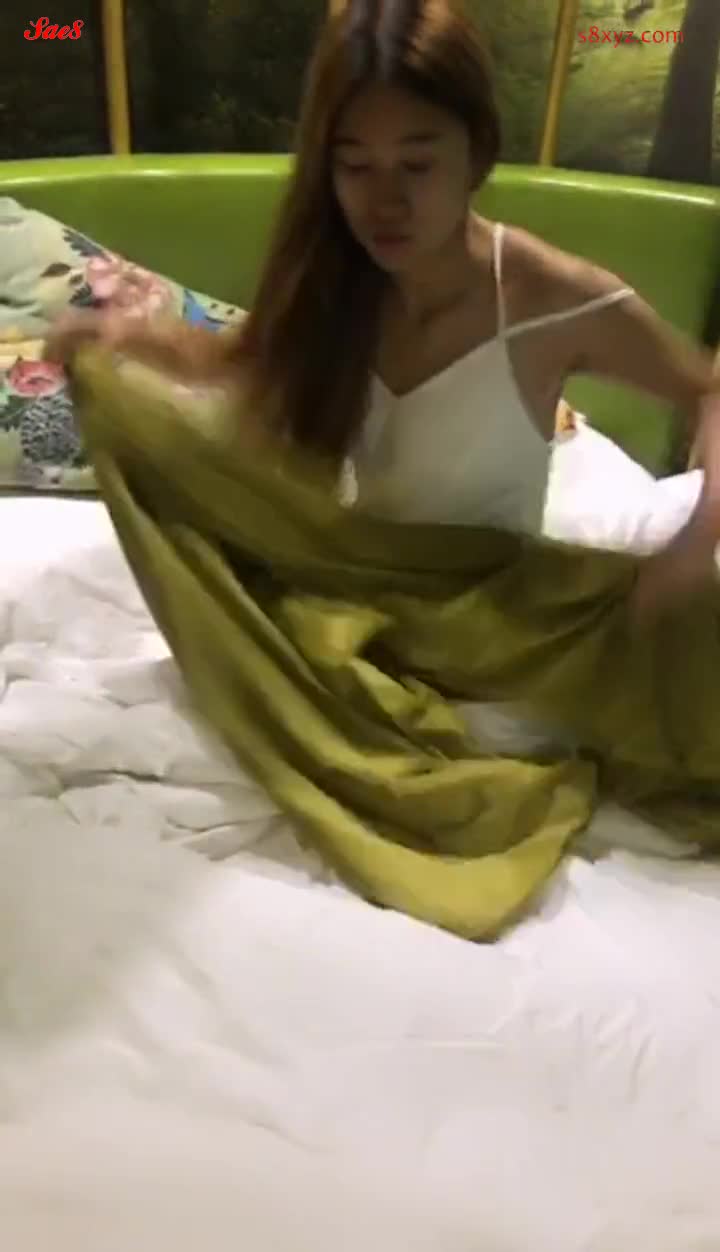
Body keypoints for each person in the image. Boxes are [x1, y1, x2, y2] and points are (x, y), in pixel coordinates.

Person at [47, 0, 720, 625]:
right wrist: (116, 336)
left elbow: (709, 388)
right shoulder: (340, 280)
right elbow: (238, 362)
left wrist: (696, 540)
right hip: (361, 594)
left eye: (417, 166)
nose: (385, 203)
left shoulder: (547, 296)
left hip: (490, 617)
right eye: (355, 167)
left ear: (477, 152)